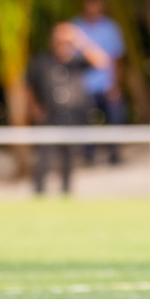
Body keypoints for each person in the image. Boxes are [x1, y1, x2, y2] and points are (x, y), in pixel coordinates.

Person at [26, 22, 111, 194]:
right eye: (59, 40)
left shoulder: (78, 62)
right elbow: (28, 86)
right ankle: (38, 194)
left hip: (74, 116)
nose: (63, 44)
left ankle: (66, 195)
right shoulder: (42, 62)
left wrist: (80, 41)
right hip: (49, 116)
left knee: (69, 160)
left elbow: (103, 62)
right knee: (44, 159)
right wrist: (34, 108)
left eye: (67, 41)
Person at [73, 0, 126, 165]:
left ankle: (114, 154)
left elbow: (116, 59)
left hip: (106, 84)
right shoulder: (76, 28)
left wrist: (115, 84)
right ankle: (87, 155)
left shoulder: (110, 28)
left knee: (115, 117)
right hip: (84, 86)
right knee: (86, 121)